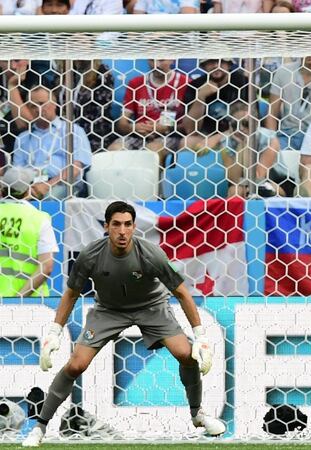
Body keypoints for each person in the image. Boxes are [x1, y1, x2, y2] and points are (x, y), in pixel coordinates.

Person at [22, 201, 225, 447]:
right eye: (116, 224)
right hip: (108, 311)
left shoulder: (150, 253)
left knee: (186, 354)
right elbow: (71, 293)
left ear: (134, 227)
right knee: (76, 365)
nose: (122, 231)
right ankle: (40, 427)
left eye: (128, 224)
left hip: (152, 308)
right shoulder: (90, 255)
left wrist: (200, 335)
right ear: (106, 226)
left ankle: (197, 413)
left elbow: (182, 292)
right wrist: (54, 332)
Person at [12, 86, 92, 200]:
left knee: (50, 197)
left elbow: (75, 168)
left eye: (42, 103)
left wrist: (48, 185)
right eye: (33, 106)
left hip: (63, 185)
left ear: (55, 104)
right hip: (30, 187)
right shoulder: (23, 138)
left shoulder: (73, 131)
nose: (38, 109)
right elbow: (17, 173)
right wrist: (26, 190)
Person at [111, 59, 189, 162]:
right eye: (152, 60)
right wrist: (133, 128)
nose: (156, 65)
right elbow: (122, 123)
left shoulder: (185, 83)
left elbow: (190, 126)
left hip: (170, 136)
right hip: (138, 136)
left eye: (161, 60)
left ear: (172, 59)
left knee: (152, 152)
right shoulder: (136, 83)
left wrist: (167, 128)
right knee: (114, 151)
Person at [0, 167, 58, 298]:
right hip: (30, 303)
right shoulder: (39, 219)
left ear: (2, 189)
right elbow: (46, 266)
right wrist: (18, 300)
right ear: (28, 190)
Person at [182, 59, 248, 137]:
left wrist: (219, 138)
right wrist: (200, 97)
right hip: (205, 137)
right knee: (187, 142)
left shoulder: (243, 82)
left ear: (229, 65)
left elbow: (249, 122)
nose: (216, 65)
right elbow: (190, 130)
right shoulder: (195, 86)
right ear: (203, 66)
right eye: (211, 62)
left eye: (221, 61)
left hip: (237, 134)